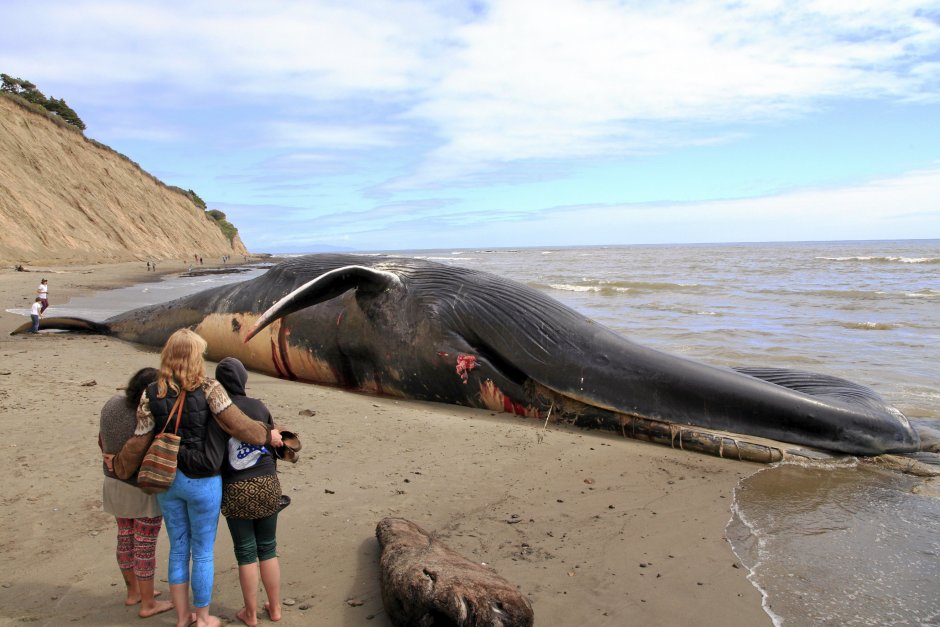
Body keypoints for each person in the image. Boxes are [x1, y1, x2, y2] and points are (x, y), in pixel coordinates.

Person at [113, 329, 284, 627]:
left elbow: (140, 439)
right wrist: (265, 435)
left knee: (179, 547)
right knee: (202, 551)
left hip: (168, 479)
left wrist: (120, 467)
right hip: (204, 479)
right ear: (195, 357)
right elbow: (238, 425)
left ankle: (182, 618)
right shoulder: (210, 388)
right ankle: (203, 617)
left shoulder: (151, 392)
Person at [99, 367, 174, 618]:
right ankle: (147, 604)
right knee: (144, 545)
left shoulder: (111, 404)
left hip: (112, 483)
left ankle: (133, 593)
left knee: (125, 536)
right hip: (140, 486)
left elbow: (101, 439)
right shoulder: (149, 415)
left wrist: (110, 457)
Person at [216, 357, 284, 625]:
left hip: (236, 487)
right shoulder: (259, 406)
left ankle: (251, 614)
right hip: (268, 483)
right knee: (268, 548)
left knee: (246, 552)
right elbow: (273, 441)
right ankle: (276, 608)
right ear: (243, 379)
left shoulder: (219, 412)